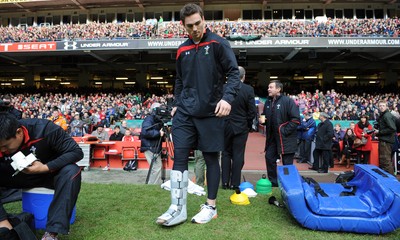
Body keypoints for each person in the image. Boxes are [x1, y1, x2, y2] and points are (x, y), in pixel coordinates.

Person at [157, 3, 241, 226]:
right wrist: (176, 103)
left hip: (211, 112)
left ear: (203, 19)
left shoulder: (218, 44)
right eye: (190, 25)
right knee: (180, 157)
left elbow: (233, 74)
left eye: (198, 23)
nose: (194, 28)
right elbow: (179, 79)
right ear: (183, 26)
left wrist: (227, 98)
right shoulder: (182, 49)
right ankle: (177, 207)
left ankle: (210, 206)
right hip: (185, 112)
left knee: (211, 158)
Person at [0, 112, 82, 240]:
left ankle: (52, 233)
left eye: (5, 146)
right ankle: (3, 225)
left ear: (19, 132)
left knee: (71, 171)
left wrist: (45, 167)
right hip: (14, 177)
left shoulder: (44, 128)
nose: (3, 150)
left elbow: (76, 152)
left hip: (46, 174)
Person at [259, 80, 300, 187]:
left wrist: (284, 131)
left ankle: (288, 184)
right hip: (272, 138)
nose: (268, 89)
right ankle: (274, 183)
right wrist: (263, 120)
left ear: (278, 89)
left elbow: (296, 120)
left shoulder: (288, 101)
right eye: (268, 87)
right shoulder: (267, 102)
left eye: (271, 87)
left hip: (286, 138)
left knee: (287, 163)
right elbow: (264, 116)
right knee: (269, 157)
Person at [221, 66, 256, 190]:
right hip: (241, 126)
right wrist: (248, 124)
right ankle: (234, 183)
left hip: (225, 125)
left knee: (225, 154)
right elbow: (252, 110)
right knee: (238, 154)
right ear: (244, 76)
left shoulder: (223, 88)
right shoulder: (248, 89)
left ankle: (224, 182)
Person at [140, 110, 164, 184]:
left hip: (154, 146)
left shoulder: (156, 120)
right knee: (156, 167)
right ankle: (152, 185)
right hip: (150, 146)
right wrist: (158, 133)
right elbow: (145, 132)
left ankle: (152, 184)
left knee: (156, 167)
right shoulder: (149, 119)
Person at [374, 100, 397, 175]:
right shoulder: (384, 115)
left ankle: (392, 182)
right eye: (380, 106)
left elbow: (392, 128)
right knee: (384, 162)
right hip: (386, 140)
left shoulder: (386, 115)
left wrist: (379, 132)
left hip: (386, 141)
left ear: (386, 106)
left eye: (383, 105)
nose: (381, 107)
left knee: (385, 162)